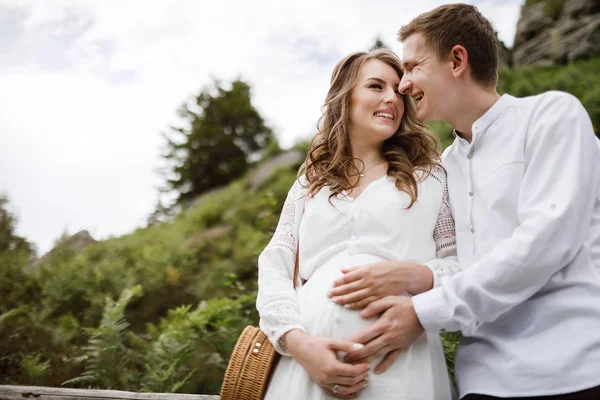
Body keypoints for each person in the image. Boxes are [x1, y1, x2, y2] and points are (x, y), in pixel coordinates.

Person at [339, 3, 600, 400]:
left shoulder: (552, 116)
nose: (404, 85)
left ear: (457, 60)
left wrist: (424, 312)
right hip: (481, 381)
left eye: (412, 67)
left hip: (573, 370)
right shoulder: (443, 169)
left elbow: (547, 239)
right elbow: (449, 260)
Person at [256, 48, 460, 399]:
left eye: (398, 90)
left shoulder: (431, 176)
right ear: (345, 97)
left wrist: (420, 279)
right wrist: (298, 343)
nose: (391, 98)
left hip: (402, 365)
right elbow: (276, 263)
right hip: (306, 370)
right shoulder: (311, 182)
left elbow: (464, 264)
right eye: (376, 86)